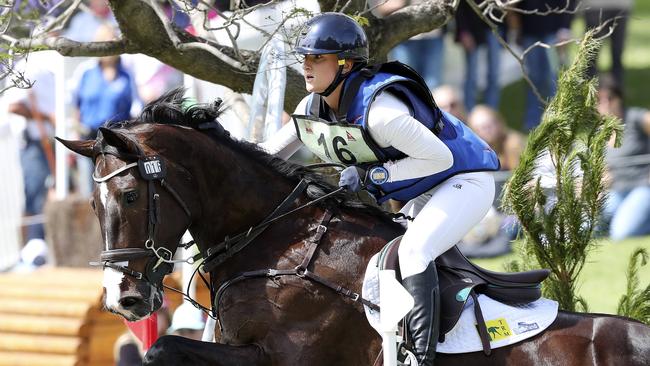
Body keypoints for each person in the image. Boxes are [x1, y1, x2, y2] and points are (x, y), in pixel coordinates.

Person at [260, 13, 500, 365]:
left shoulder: (381, 112)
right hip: (422, 189)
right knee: (375, 259)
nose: (307, 66)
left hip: (463, 181)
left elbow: (441, 158)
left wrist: (373, 177)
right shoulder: (311, 107)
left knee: (414, 253)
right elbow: (265, 156)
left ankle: (421, 357)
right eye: (305, 57)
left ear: (346, 65)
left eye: (317, 58)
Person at [72, 25, 136, 196]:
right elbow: (75, 105)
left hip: (115, 140)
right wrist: (76, 134)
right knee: (89, 189)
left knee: (116, 187)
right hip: (89, 139)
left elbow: (134, 107)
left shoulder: (127, 75)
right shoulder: (85, 72)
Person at [6, 51, 57, 244]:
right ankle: (30, 246)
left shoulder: (54, 66)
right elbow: (14, 106)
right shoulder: (28, 68)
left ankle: (43, 245)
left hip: (53, 142)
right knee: (34, 194)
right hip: (34, 143)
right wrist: (46, 117)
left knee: (54, 193)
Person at [598, 79, 650, 241]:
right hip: (615, 191)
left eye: (610, 98)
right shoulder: (600, 133)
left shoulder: (635, 118)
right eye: (599, 100)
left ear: (619, 98)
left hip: (642, 187)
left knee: (620, 233)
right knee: (586, 227)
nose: (605, 104)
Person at [454, 0, 503, 112]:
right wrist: (463, 31)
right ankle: (469, 113)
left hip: (493, 26)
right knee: (472, 75)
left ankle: (491, 112)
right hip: (471, 27)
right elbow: (458, 7)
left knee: (494, 73)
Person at [583, 0, 633, 89]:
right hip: (594, 6)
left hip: (621, 5)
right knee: (591, 55)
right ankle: (588, 94)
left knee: (617, 53)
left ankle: (617, 95)